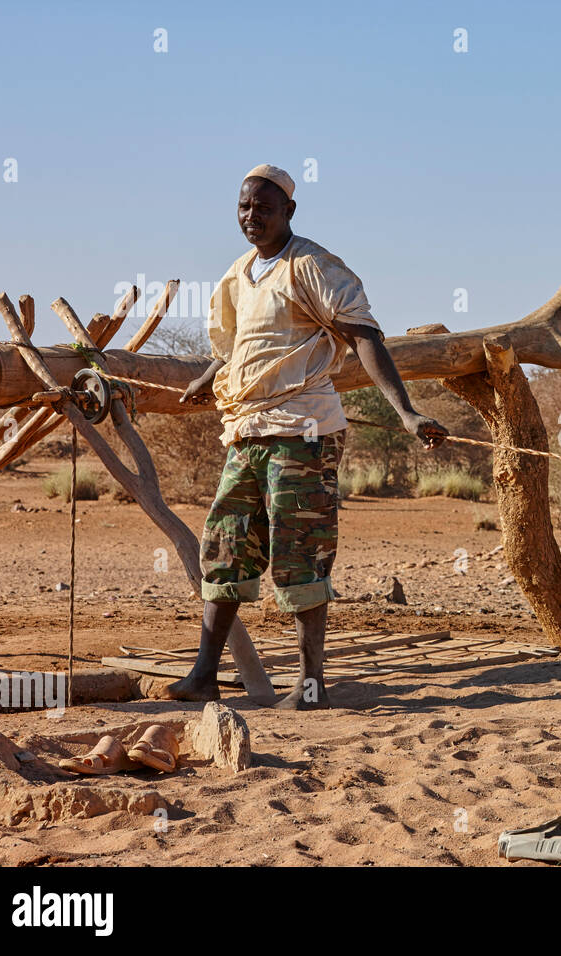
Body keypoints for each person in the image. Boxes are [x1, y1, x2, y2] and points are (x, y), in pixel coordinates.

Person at [162, 163, 446, 710]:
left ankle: (310, 684)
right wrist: (208, 377)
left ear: (289, 211)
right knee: (224, 545)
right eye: (244, 207)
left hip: (303, 430)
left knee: (301, 554)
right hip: (247, 430)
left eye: (264, 208)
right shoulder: (239, 274)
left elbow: (364, 336)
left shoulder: (312, 266)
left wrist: (407, 413)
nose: (252, 217)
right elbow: (234, 348)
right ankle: (203, 674)